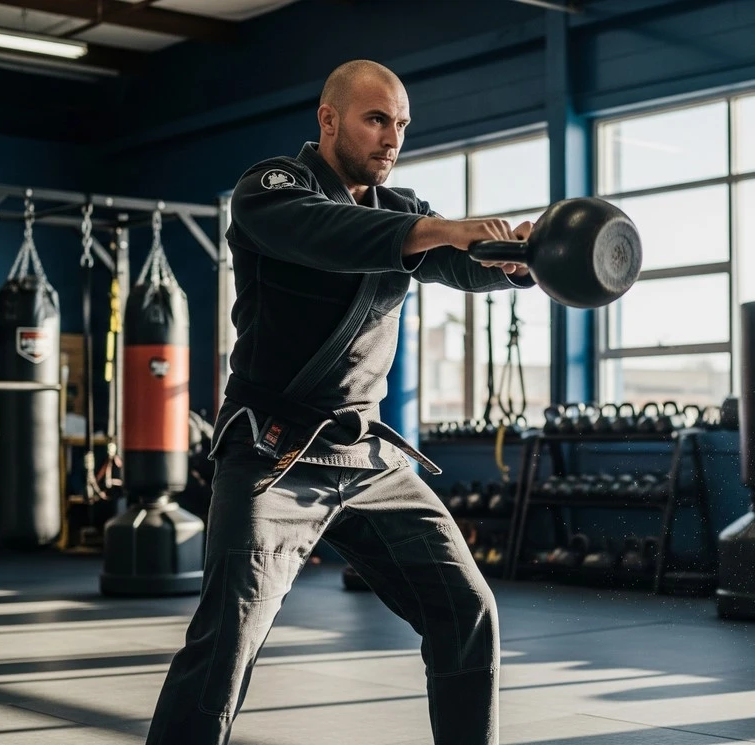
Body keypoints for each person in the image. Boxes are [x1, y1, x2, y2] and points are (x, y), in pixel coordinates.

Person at [144, 59, 536, 745]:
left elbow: (457, 263)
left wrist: (520, 261)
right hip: (273, 453)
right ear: (328, 120)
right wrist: (446, 229)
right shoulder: (271, 189)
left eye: (402, 124)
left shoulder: (403, 211)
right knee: (226, 642)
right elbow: (330, 235)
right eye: (377, 119)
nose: (393, 138)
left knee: (466, 610)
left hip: (366, 458)